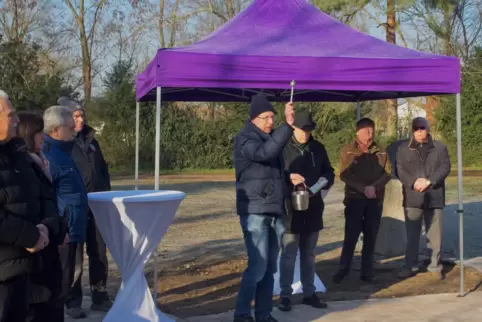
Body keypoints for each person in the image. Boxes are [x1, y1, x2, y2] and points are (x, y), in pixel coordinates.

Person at [233, 94, 294, 322]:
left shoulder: (268, 138)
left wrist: (289, 178)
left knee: (270, 268)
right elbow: (264, 154)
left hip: (273, 211)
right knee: (257, 268)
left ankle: (264, 314)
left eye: (272, 116)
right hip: (255, 212)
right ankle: (241, 315)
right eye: (266, 117)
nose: (270, 121)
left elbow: (268, 173)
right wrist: (286, 126)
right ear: (253, 119)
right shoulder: (245, 138)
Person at [0, 91, 54, 322]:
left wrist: (48, 228)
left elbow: (41, 196)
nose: (17, 121)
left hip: (23, 266)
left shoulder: (16, 154)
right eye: (11, 115)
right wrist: (31, 236)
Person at [58, 97, 112, 311]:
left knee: (99, 251)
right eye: (76, 115)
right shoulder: (63, 144)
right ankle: (73, 301)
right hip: (75, 209)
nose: (80, 119)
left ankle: (100, 294)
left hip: (98, 206)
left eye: (82, 115)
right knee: (75, 255)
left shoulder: (93, 141)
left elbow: (103, 171)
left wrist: (107, 195)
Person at [278, 110, 335, 312]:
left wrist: (322, 183)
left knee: (309, 254)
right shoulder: (283, 148)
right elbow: (274, 174)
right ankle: (284, 295)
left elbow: (329, 171)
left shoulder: (318, 148)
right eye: (303, 130)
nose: (306, 134)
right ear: (294, 127)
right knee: (288, 255)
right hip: (290, 209)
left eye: (309, 130)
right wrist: (288, 178)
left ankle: (309, 293)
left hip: (313, 207)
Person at [17, 111, 69, 322]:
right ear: (28, 135)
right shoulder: (25, 167)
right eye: (39, 133)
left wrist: (57, 230)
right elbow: (34, 206)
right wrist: (48, 232)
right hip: (36, 254)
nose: (43, 137)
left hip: (49, 242)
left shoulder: (39, 163)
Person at [42, 105, 89, 319]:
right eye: (69, 127)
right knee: (58, 286)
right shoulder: (49, 157)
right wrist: (60, 228)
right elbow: (47, 197)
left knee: (69, 279)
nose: (73, 130)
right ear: (55, 130)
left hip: (74, 227)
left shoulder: (65, 152)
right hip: (63, 233)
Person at [333, 118, 391, 284]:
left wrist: (374, 187)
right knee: (351, 236)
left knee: (371, 237)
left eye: (372, 130)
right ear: (357, 132)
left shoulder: (381, 150)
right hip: (355, 199)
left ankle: (367, 272)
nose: (370, 134)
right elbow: (344, 174)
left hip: (375, 199)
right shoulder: (348, 150)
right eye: (366, 130)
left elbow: (388, 173)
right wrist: (362, 188)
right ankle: (343, 269)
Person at [396, 117, 450, 279]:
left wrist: (430, 181)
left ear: (428, 128)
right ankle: (409, 265)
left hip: (434, 196)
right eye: (416, 128)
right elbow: (400, 169)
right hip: (413, 198)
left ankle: (435, 267)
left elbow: (445, 167)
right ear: (412, 130)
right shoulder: (403, 149)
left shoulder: (440, 148)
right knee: (412, 235)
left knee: (435, 235)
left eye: (423, 127)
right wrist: (413, 183)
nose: (419, 131)